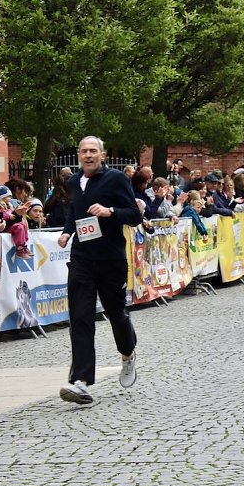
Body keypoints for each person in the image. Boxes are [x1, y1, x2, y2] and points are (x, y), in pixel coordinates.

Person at [56, 136, 141, 404]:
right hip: (81, 258)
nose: (88, 155)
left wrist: (110, 211)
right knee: (80, 317)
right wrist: (67, 232)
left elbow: (134, 215)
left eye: (93, 151)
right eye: (84, 151)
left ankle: (127, 354)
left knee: (116, 314)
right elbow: (74, 211)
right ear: (78, 156)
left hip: (111, 259)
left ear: (102, 155)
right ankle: (81, 382)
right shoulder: (73, 182)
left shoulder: (115, 179)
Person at [0, 186, 33, 259]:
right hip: (3, 225)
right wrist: (8, 216)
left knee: (23, 224)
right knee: (18, 227)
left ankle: (23, 244)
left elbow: (11, 213)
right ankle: (19, 248)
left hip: (9, 223)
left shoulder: (9, 205)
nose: (10, 198)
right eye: (8, 196)